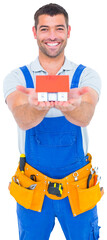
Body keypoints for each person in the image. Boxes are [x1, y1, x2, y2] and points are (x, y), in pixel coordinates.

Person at [3, 3, 102, 240]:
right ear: (35, 32)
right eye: (45, 29)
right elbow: (22, 120)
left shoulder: (86, 76)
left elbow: (86, 116)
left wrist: (69, 107)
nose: (52, 36)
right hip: (33, 188)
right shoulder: (17, 78)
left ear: (68, 31)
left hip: (78, 187)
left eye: (59, 28)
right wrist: (36, 108)